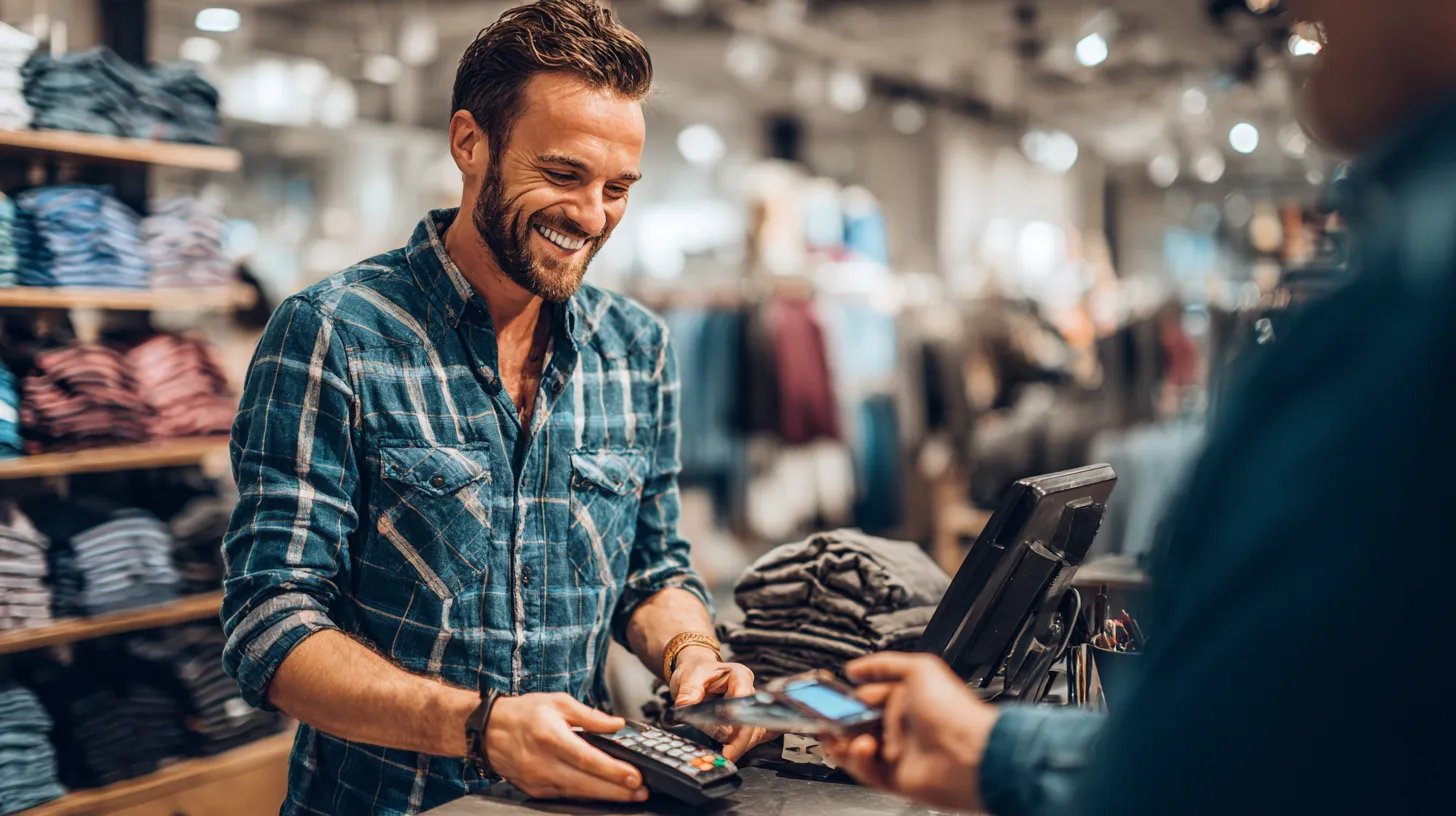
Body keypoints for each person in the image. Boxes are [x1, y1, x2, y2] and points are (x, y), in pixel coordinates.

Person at [826, 1, 1446, 813]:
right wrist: (997, 751)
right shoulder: (1395, 284)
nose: (1302, 9)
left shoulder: (1411, 308)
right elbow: (1321, 737)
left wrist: (1014, 757)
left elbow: (1248, 760)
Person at [220, 3, 762, 814]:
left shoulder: (634, 346)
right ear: (470, 144)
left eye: (618, 188)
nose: (593, 216)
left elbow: (652, 569)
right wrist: (479, 728)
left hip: (580, 801)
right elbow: (268, 622)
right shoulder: (334, 334)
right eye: (564, 175)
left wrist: (691, 654)